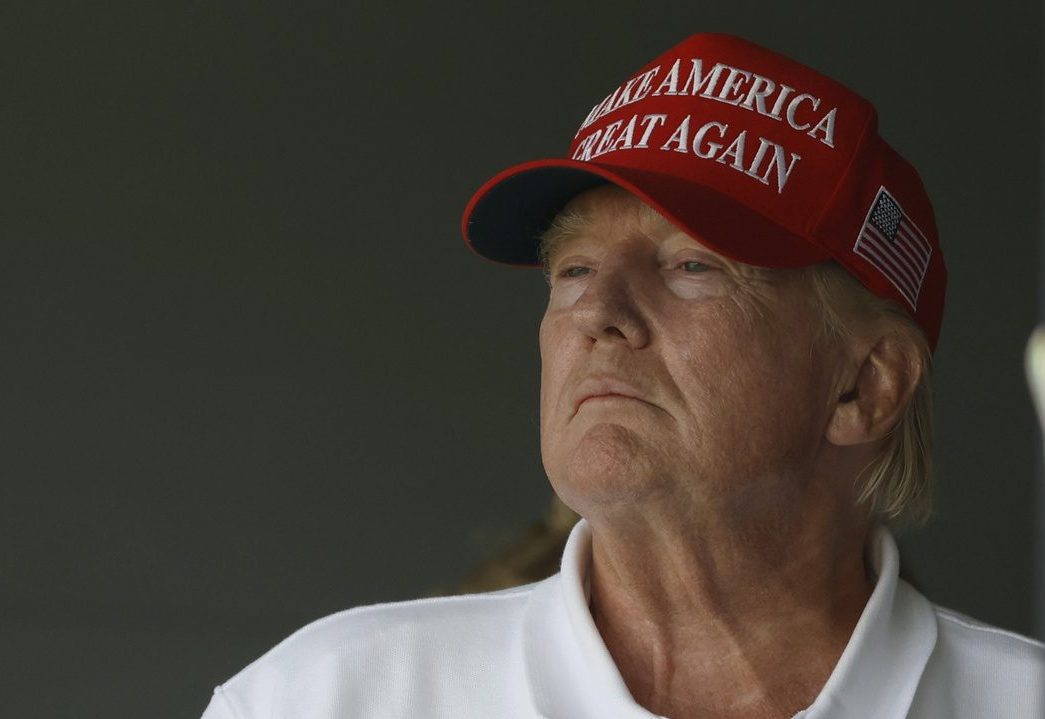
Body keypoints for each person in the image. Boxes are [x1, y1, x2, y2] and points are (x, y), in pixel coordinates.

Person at [200, 33, 1044, 718]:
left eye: (691, 266)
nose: (596, 313)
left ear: (865, 385)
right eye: (570, 269)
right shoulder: (325, 700)